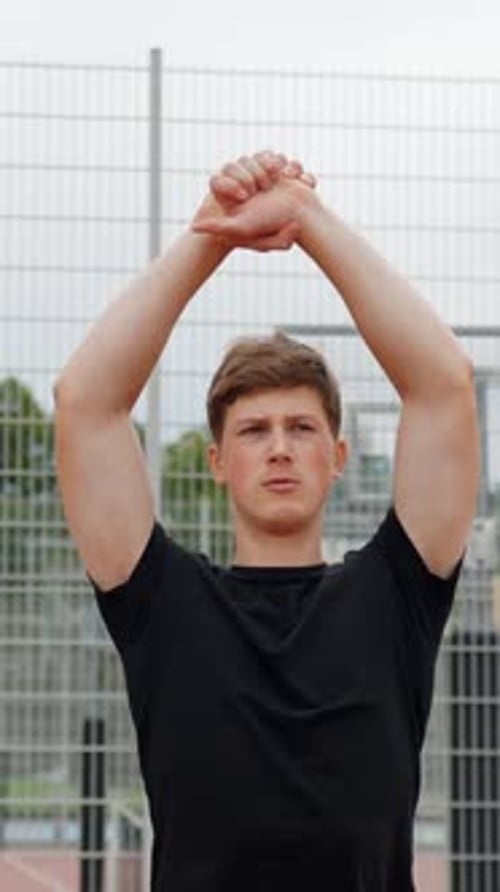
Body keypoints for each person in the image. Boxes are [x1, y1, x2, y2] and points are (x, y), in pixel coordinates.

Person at [54, 151, 479, 891]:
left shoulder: (396, 592)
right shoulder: (162, 601)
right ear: (217, 461)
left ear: (338, 455)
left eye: (301, 429)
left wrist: (308, 219)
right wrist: (211, 234)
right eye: (254, 432)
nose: (279, 448)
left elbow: (443, 386)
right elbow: (86, 400)